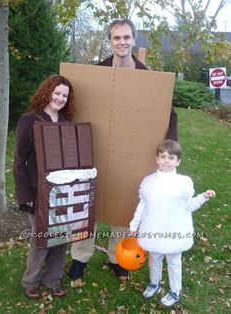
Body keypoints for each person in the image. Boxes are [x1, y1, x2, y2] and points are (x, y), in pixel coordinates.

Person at [68, 19, 178, 284]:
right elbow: (76, 107)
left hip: (132, 153)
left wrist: (169, 153)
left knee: (124, 209)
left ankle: (117, 258)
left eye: (127, 37)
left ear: (134, 40)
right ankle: (80, 259)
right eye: (116, 38)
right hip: (96, 150)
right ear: (110, 41)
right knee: (89, 207)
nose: (122, 42)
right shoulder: (96, 73)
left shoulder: (148, 76)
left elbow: (168, 114)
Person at [129, 139, 216, 307]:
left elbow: (189, 206)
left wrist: (203, 197)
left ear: (178, 161)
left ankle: (175, 290)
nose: (166, 161)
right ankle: (154, 283)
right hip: (153, 229)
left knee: (174, 261)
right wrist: (134, 225)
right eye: (163, 157)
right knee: (154, 259)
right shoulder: (148, 182)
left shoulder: (183, 183)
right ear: (157, 159)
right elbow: (143, 205)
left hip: (174, 230)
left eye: (171, 158)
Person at [14, 75, 74, 299]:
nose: (60, 98)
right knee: (41, 239)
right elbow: (19, 160)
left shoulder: (67, 123)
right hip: (36, 191)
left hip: (61, 193)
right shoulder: (30, 120)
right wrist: (24, 194)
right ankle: (31, 280)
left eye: (64, 95)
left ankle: (53, 279)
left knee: (61, 237)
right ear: (47, 92)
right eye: (56, 93)